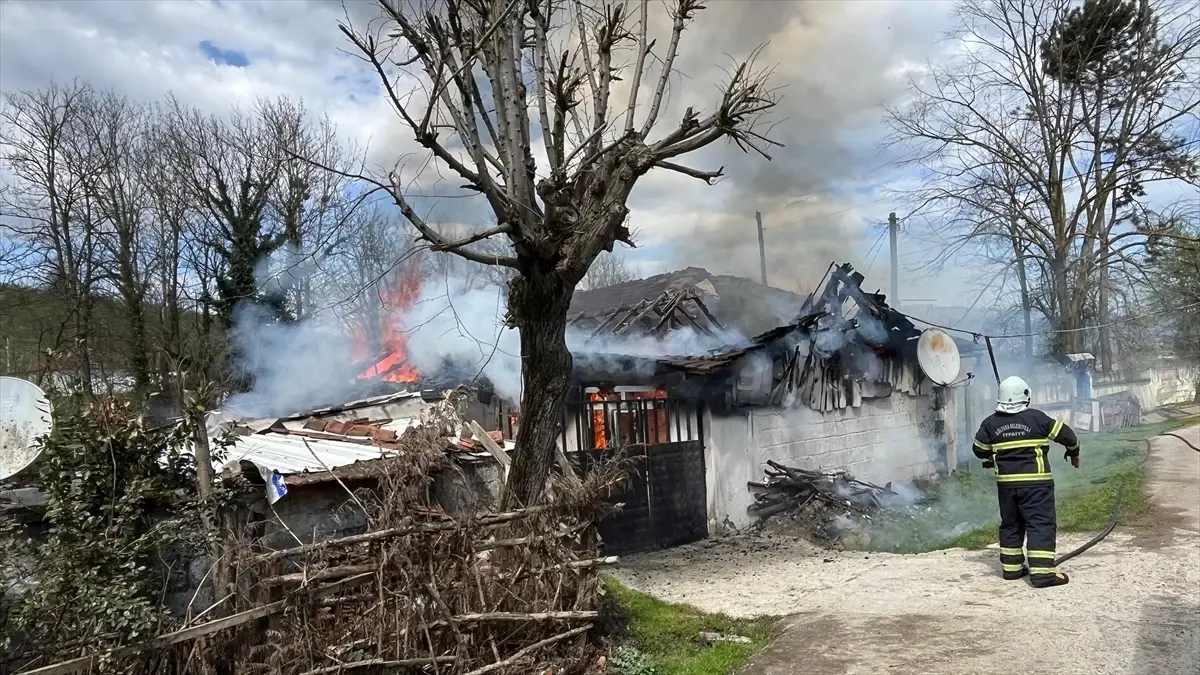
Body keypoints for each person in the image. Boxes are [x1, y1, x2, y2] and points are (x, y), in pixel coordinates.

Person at [973, 376, 1080, 588]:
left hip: (1007, 486)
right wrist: (1073, 451)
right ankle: (1042, 575)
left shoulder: (989, 423)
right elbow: (1067, 435)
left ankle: (1012, 570)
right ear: (1026, 396)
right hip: (1037, 486)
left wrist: (994, 453)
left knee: (1011, 524)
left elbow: (979, 450)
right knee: (1040, 524)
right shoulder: (1037, 419)